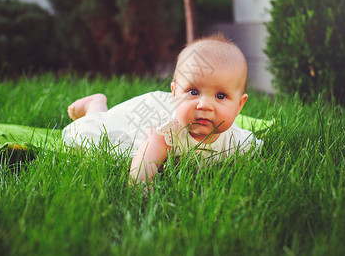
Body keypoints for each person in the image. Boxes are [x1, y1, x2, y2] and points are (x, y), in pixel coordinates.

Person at [62, 34, 261, 184]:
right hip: (141, 122)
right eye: (193, 92)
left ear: (239, 105)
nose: (204, 105)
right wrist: (144, 189)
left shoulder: (238, 142)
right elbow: (142, 170)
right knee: (98, 129)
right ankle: (95, 104)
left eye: (220, 96)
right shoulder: (166, 132)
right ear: (175, 94)